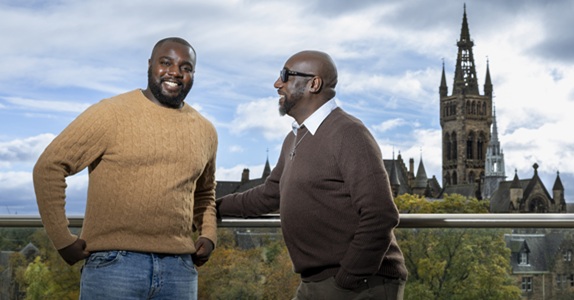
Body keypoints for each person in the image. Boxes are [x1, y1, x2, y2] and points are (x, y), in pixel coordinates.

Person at [33, 37, 218, 299]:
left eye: (186, 67)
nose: (175, 72)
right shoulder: (110, 113)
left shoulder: (206, 130)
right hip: (113, 267)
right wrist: (62, 240)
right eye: (166, 63)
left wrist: (209, 235)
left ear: (193, 75)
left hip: (180, 269)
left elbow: (205, 192)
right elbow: (48, 167)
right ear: (150, 65)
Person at [217, 50, 407, 300]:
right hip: (317, 282)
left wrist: (349, 277)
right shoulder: (295, 138)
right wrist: (212, 207)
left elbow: (381, 213)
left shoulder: (349, 133)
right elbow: (268, 195)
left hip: (359, 284)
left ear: (314, 83)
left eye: (285, 75)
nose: (277, 84)